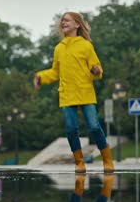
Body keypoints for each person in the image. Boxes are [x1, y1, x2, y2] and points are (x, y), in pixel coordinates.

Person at [34, 12, 114, 173]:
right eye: (62, 20)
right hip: (67, 94)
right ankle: (79, 162)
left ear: (77, 24)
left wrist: (97, 70)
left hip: (85, 92)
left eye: (67, 20)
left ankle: (107, 159)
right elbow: (55, 72)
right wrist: (40, 77)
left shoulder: (86, 46)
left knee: (94, 127)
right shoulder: (59, 49)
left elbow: (96, 68)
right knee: (71, 129)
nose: (63, 22)